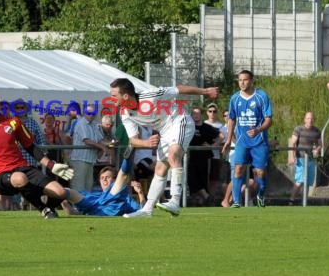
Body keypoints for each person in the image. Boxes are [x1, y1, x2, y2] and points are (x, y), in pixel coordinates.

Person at [108, 78, 219, 218]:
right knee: (160, 169)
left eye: (114, 95)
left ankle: (175, 201)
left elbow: (178, 89)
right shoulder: (124, 113)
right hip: (164, 130)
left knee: (173, 155)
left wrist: (206, 91)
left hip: (180, 120)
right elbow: (133, 139)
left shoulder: (151, 96)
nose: (111, 98)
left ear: (125, 96)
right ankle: (147, 210)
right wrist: (146, 143)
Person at [0, 87, 74, 219]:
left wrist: (52, 165)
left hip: (22, 167)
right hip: (0, 174)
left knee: (60, 192)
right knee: (20, 178)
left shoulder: (13, 122)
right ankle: (44, 209)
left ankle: (50, 208)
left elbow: (30, 147)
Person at [222, 69, 273, 208]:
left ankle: (261, 195)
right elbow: (231, 119)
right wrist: (228, 140)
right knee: (238, 169)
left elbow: (269, 120)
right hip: (242, 142)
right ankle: (237, 201)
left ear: (251, 80)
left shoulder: (261, 96)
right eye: (240, 80)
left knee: (260, 173)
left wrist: (258, 130)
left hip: (259, 141)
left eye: (245, 80)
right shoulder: (235, 98)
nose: (242, 83)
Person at [65, 159, 145, 216]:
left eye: (107, 177)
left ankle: (128, 156)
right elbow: (76, 213)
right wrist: (64, 203)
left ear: (114, 180)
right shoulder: (93, 195)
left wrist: (140, 193)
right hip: (94, 212)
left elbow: (142, 210)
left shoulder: (125, 198)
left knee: (123, 174)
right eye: (102, 178)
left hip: (111, 210)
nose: (104, 179)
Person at [69, 104, 107, 191]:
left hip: (90, 159)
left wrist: (111, 143)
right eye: (88, 113)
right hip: (79, 159)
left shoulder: (94, 124)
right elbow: (87, 141)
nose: (91, 115)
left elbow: (100, 140)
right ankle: (75, 205)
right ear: (84, 113)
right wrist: (103, 147)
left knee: (88, 187)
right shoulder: (81, 123)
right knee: (78, 187)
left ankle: (83, 204)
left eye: (93, 113)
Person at [188, 106, 220, 206]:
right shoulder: (188, 127)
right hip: (191, 157)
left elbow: (221, 137)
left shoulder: (207, 127)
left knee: (203, 180)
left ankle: (205, 200)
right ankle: (206, 197)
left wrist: (212, 146)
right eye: (194, 113)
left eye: (198, 113)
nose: (196, 115)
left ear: (201, 115)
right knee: (191, 179)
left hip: (204, 158)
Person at [288, 112, 322, 205]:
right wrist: (292, 156)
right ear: (304, 119)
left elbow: (320, 144)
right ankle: (291, 200)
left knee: (308, 182)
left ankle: (304, 201)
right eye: (308, 118)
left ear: (313, 120)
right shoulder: (298, 129)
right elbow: (292, 143)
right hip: (301, 159)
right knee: (299, 181)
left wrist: (317, 150)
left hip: (311, 159)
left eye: (311, 118)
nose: (310, 120)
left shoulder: (317, 131)